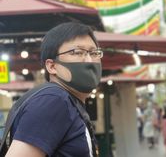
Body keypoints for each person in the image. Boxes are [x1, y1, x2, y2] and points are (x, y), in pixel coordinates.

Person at [5, 22, 103, 157]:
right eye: (77, 52)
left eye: (94, 53)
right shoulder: (54, 100)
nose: (89, 60)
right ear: (52, 66)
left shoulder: (68, 101)